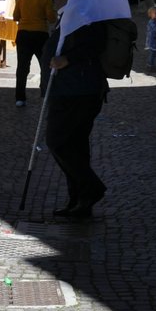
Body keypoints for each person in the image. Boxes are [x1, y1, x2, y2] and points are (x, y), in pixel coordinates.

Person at [45, 19, 108, 219]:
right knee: (76, 146)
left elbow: (95, 44)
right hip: (71, 90)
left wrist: (67, 59)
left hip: (76, 91)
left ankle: (90, 188)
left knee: (57, 141)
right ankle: (79, 200)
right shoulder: (70, 15)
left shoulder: (84, 16)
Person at [11, 0, 55, 106]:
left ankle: (20, 97)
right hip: (40, 34)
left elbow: (15, 16)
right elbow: (51, 18)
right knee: (45, 65)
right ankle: (44, 92)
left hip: (23, 34)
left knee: (22, 67)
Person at [144, 5, 156, 70]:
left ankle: (152, 66)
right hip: (152, 42)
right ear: (150, 14)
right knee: (152, 55)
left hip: (155, 41)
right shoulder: (151, 22)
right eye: (155, 13)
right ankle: (150, 66)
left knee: (154, 55)